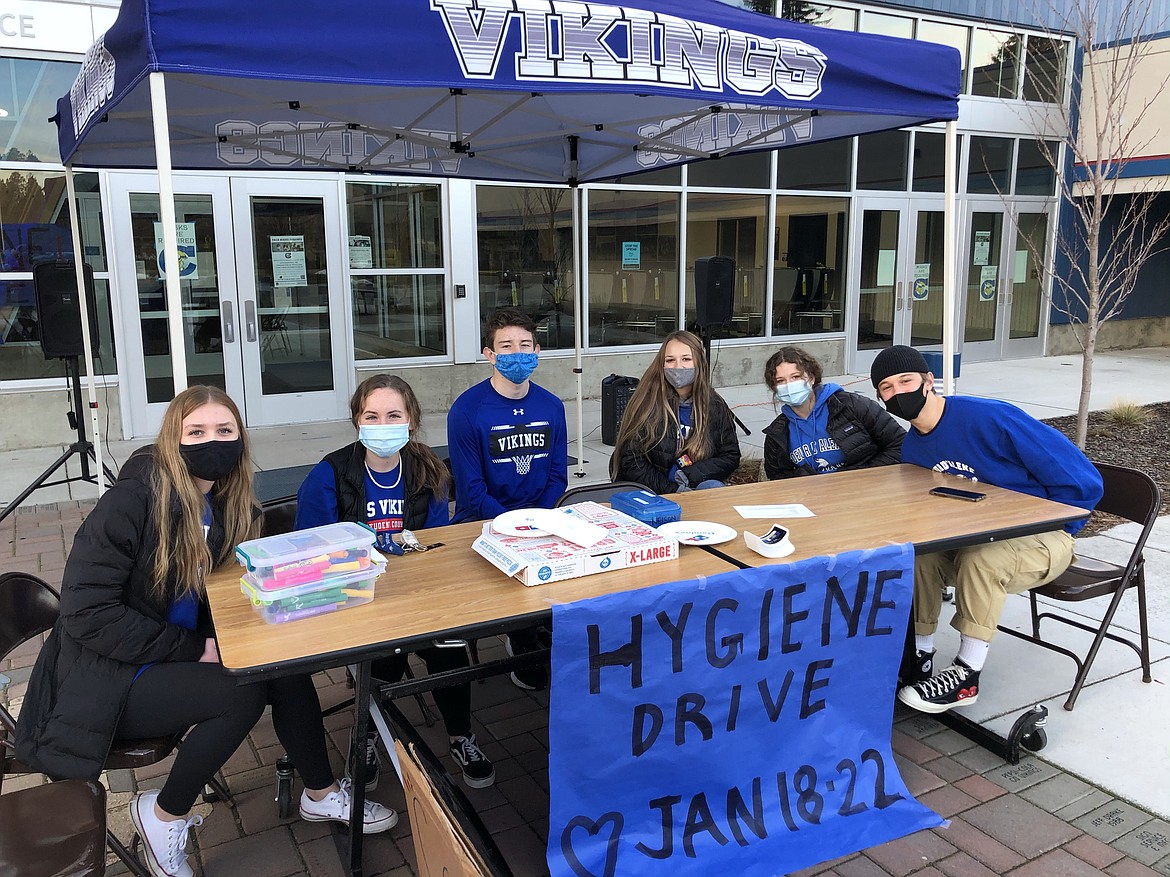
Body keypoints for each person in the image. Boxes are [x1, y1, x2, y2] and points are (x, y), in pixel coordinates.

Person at [14, 386, 395, 877]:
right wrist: (197, 648)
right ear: (174, 439)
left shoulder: (219, 500)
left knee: (280, 663)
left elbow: (217, 590)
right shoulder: (131, 502)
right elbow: (87, 614)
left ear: (240, 440)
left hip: (160, 657)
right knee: (241, 693)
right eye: (196, 432)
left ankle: (320, 793)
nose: (211, 442)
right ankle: (161, 814)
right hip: (105, 679)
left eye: (224, 431)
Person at [869, 346, 1103, 714]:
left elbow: (1083, 480)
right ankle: (920, 655)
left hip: (1045, 536)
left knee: (982, 559)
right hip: (981, 535)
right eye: (886, 387)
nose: (897, 392)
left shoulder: (991, 418)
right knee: (917, 554)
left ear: (929, 381)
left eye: (905, 380)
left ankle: (967, 673)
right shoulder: (913, 447)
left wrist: (1061, 526)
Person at [296, 374, 495, 789]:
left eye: (393, 415)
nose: (383, 425)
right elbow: (308, 550)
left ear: (411, 420)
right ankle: (366, 734)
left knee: (449, 645)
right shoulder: (328, 475)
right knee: (385, 652)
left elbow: (435, 545)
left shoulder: (428, 471)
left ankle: (461, 735)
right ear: (356, 420)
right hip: (357, 595)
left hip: (417, 595)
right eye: (372, 415)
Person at [447, 308, 568, 691]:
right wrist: (512, 527)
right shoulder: (467, 411)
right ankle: (522, 637)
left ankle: (538, 628)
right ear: (489, 354)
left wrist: (540, 521)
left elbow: (557, 475)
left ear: (537, 350)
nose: (517, 354)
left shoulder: (551, 406)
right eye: (506, 346)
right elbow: (471, 490)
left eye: (525, 345)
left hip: (541, 519)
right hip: (483, 522)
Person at [611, 330, 741, 493]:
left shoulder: (714, 404)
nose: (678, 366)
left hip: (695, 484)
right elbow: (630, 461)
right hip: (653, 490)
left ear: (699, 363)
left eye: (686, 359)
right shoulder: (645, 402)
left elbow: (730, 456)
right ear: (662, 364)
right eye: (670, 360)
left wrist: (691, 475)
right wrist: (673, 490)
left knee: (714, 488)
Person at [762, 345, 904, 479]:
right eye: (780, 381)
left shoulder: (852, 406)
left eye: (796, 377)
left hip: (865, 492)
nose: (789, 385)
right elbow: (777, 477)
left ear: (811, 378)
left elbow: (898, 444)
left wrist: (855, 476)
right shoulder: (777, 434)